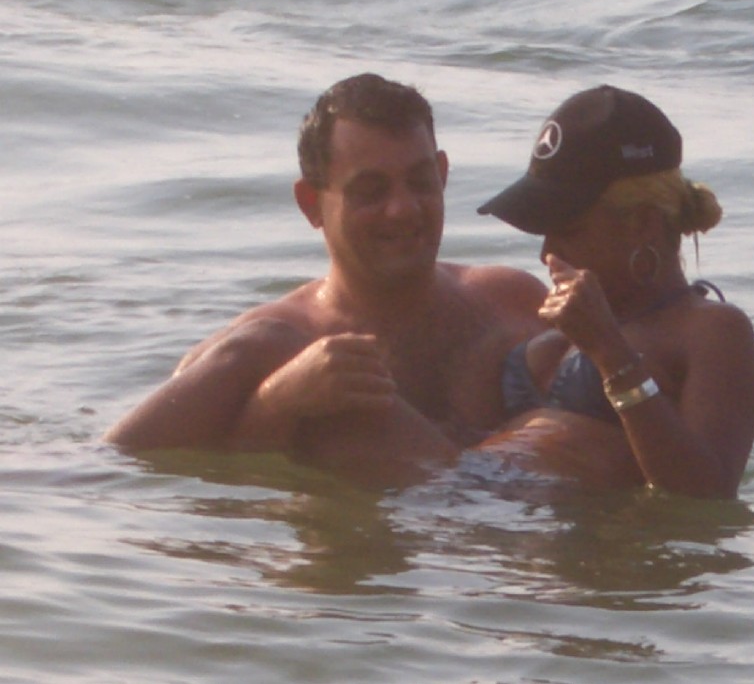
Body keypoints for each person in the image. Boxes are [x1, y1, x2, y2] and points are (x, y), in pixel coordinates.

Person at [103, 73, 548, 488]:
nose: (403, 208)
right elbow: (138, 479)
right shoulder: (262, 352)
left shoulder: (513, 303)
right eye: (371, 192)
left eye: (420, 182)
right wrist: (277, 402)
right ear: (311, 204)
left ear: (443, 175)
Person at [473, 85, 754, 499]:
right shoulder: (560, 325)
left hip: (585, 536)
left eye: (569, 231)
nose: (547, 253)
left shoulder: (711, 331)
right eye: (544, 233)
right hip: (479, 521)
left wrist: (610, 353)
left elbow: (705, 494)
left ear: (643, 224)